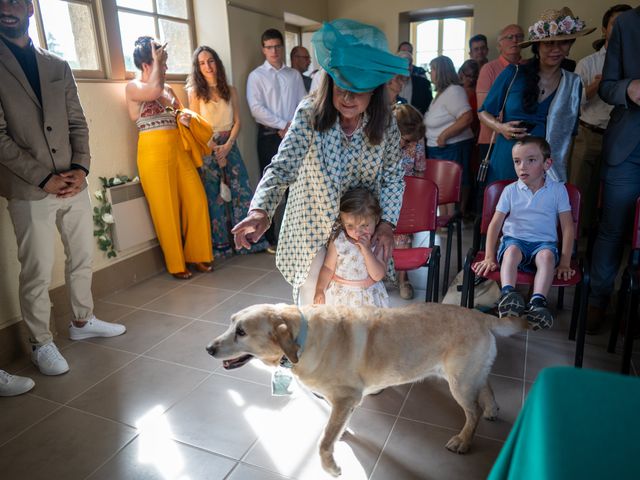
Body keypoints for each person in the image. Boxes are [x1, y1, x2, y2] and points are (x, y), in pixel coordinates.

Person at [233, 19, 408, 305]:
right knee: (314, 311)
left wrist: (387, 224)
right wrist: (261, 210)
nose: (348, 98)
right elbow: (283, 166)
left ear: (374, 90)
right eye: (341, 87)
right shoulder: (310, 114)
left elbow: (392, 177)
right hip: (312, 230)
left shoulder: (385, 124)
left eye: (358, 90)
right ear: (330, 81)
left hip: (359, 231)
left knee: (357, 307)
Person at [0, 0, 126, 383]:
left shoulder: (56, 64)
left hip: (73, 182)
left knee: (81, 256)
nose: (8, 7)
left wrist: (81, 168)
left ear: (29, 10)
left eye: (16, 1)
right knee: (36, 270)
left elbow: (77, 122)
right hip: (28, 188)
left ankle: (82, 320)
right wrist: (43, 178)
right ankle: (41, 342)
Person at [125, 37, 213, 280]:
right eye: (161, 62)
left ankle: (198, 255)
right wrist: (157, 60)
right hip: (152, 154)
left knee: (196, 200)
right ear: (146, 63)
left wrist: (184, 117)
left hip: (178, 150)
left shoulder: (168, 88)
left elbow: (180, 112)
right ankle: (177, 264)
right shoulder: (133, 87)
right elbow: (152, 91)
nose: (165, 66)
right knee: (166, 210)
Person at [478, 7, 594, 184]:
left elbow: (569, 134)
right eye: (548, 43)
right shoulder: (514, 73)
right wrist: (501, 128)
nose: (555, 49)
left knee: (540, 211)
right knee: (503, 210)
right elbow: (483, 111)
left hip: (546, 169)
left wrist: (561, 170)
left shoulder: (573, 83)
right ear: (537, 46)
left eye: (563, 42)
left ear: (570, 45)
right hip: (507, 159)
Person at [472, 137, 575, 330]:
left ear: (547, 163)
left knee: (545, 257)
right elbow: (495, 224)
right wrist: (489, 256)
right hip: (515, 240)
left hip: (544, 244)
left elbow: (568, 227)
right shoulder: (510, 190)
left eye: (531, 160)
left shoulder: (558, 190)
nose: (522, 167)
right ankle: (508, 295)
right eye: (517, 161)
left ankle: (537, 303)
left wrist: (565, 261)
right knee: (511, 252)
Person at [187, 46, 269, 258]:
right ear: (197, 67)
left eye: (211, 61)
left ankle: (248, 240)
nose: (208, 66)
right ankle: (221, 245)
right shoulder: (195, 93)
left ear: (217, 63)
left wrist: (228, 145)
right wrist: (215, 149)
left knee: (241, 189)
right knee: (216, 195)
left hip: (230, 145)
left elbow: (238, 122)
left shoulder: (230, 90)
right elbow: (195, 126)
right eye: (202, 63)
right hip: (208, 146)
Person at [588, 6, 640, 333]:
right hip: (627, 148)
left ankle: (632, 304)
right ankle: (598, 300)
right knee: (612, 229)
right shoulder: (627, 24)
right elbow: (607, 86)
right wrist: (628, 89)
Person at [570, 4, 632, 235]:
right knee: (580, 192)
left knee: (617, 195)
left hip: (624, 137)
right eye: (616, 23)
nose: (622, 28)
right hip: (589, 135)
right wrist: (599, 84)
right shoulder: (588, 63)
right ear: (605, 29)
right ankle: (576, 248)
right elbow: (574, 103)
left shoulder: (635, 63)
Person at [246, 28, 306, 249]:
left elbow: (303, 103)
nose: (274, 51)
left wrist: (292, 127)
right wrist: (282, 124)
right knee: (271, 186)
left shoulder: (294, 75)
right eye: (269, 47)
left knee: (296, 187)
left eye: (277, 46)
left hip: (295, 136)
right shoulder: (256, 76)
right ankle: (270, 239)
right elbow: (256, 108)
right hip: (269, 136)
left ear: (283, 48)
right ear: (263, 49)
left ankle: (294, 236)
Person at [314, 188, 389, 307]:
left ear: (376, 220)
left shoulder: (377, 242)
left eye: (364, 225)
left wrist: (367, 251)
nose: (357, 232)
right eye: (350, 226)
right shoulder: (338, 240)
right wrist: (320, 289)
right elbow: (328, 268)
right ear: (343, 223)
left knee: (370, 326)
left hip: (368, 299)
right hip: (341, 296)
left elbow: (378, 275)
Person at [424, 55, 474, 215]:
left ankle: (450, 219)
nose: (430, 72)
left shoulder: (454, 91)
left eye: (432, 69)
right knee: (440, 185)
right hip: (439, 148)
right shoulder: (441, 92)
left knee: (449, 186)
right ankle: (444, 220)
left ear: (441, 71)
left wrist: (444, 136)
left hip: (451, 146)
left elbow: (466, 117)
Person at [476, 24, 525, 161]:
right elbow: (482, 110)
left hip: (522, 139)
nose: (515, 40)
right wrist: (502, 128)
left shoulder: (528, 67)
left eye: (519, 36)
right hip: (493, 140)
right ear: (499, 46)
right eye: (509, 37)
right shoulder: (489, 69)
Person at [393, 104, 427, 300]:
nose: (411, 143)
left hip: (407, 191)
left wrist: (418, 196)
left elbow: (420, 168)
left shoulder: (417, 138)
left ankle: (403, 278)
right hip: (382, 192)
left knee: (404, 235)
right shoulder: (382, 135)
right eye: (407, 139)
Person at [397, 50, 433, 114]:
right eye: (404, 64)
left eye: (410, 64)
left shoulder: (423, 84)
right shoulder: (388, 84)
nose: (408, 67)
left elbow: (429, 109)